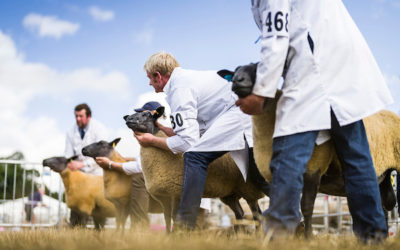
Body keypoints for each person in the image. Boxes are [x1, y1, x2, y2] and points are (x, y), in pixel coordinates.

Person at [236, 0, 393, 241]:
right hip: (343, 62)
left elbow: (276, 35)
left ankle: (278, 233)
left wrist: (261, 92)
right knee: (356, 156)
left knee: (288, 151)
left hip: (313, 62)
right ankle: (374, 236)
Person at [135, 52, 270, 230]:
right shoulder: (186, 80)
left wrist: (152, 140)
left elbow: (187, 142)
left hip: (238, 113)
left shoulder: (179, 89)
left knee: (194, 156)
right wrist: (167, 130)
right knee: (258, 177)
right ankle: (295, 218)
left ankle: (185, 225)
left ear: (158, 75)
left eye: (149, 78)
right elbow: (191, 127)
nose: (149, 83)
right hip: (241, 114)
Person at [64, 103, 108, 226]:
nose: (78, 119)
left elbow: (102, 153)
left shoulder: (99, 129)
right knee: (77, 209)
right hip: (79, 177)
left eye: (81, 116)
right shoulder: (70, 132)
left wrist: (82, 164)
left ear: (88, 116)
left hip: (96, 174)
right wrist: (71, 164)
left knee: (98, 211)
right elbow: (68, 155)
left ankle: (99, 232)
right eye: (76, 116)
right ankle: (75, 231)